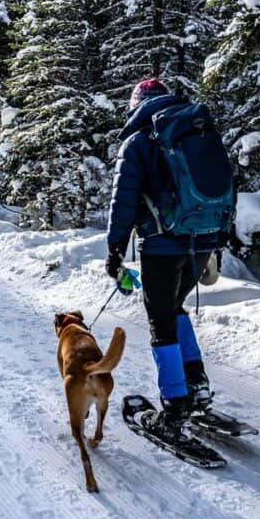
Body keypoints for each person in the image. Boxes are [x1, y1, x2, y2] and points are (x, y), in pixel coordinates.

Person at [105, 78, 230, 441]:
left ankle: (174, 408)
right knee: (175, 308)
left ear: (136, 104)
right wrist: (216, 239)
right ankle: (198, 387)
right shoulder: (197, 131)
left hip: (162, 243)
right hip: (204, 237)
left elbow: (123, 201)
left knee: (161, 321)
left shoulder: (139, 142)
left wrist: (115, 251)